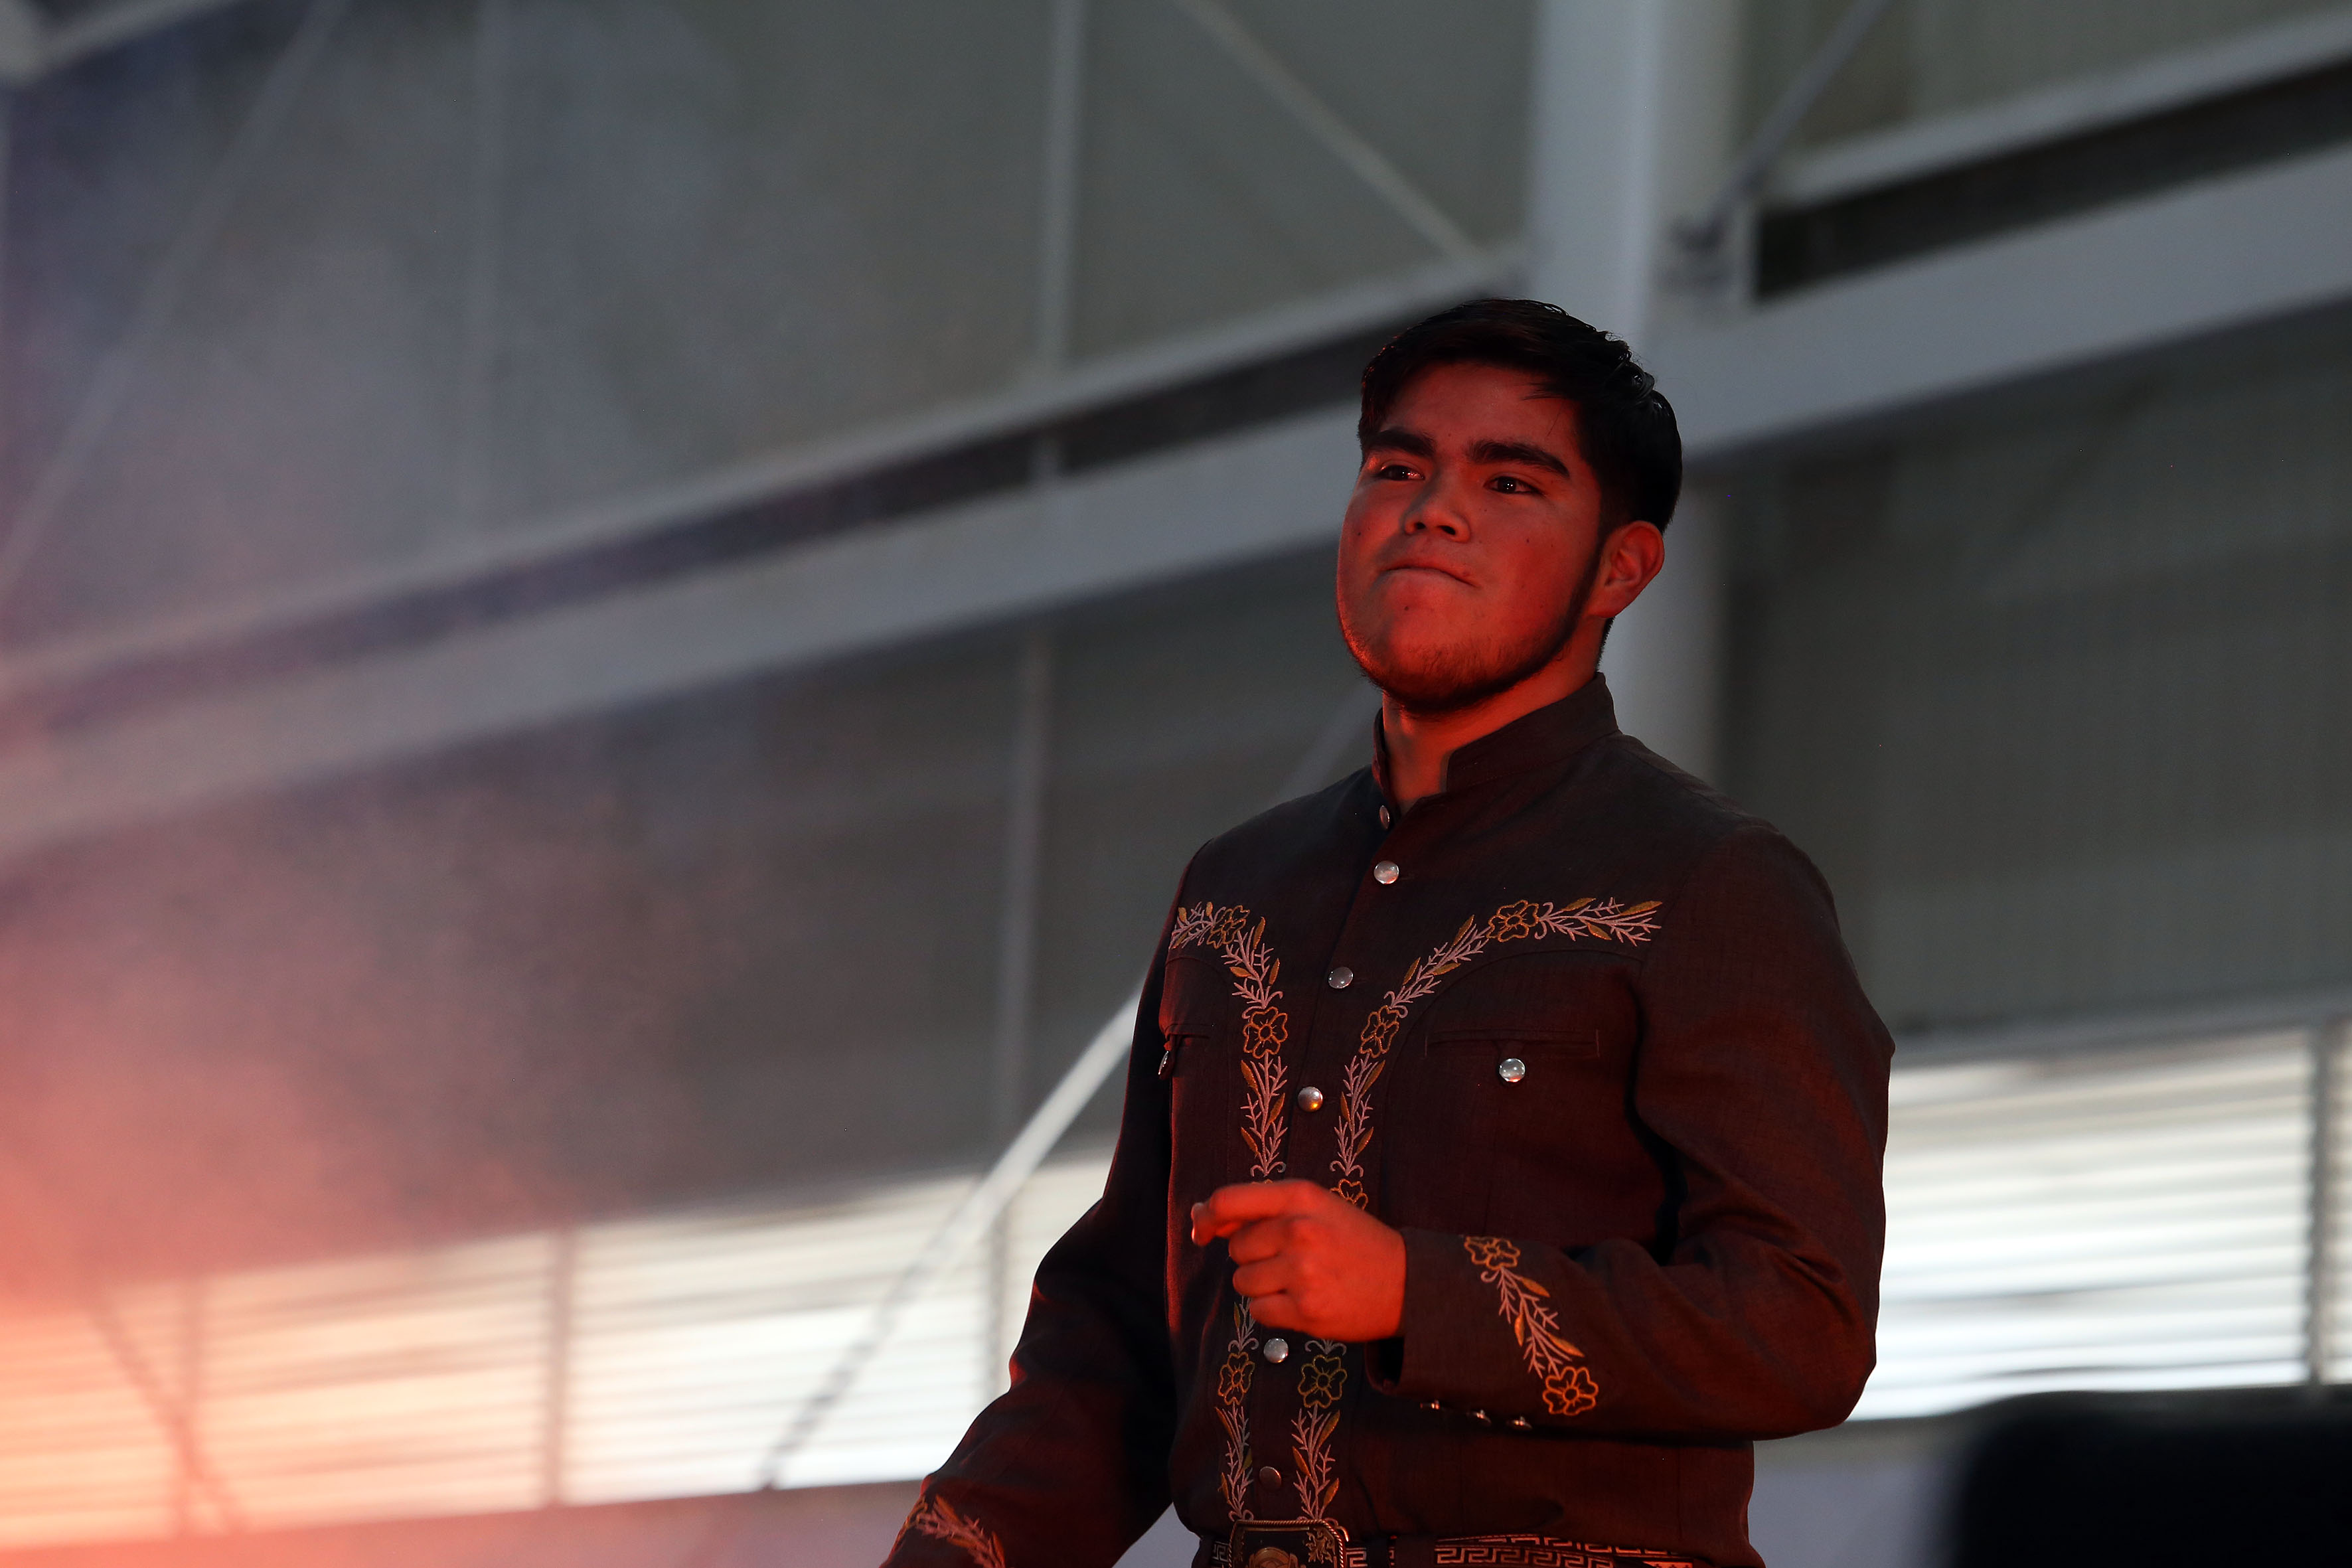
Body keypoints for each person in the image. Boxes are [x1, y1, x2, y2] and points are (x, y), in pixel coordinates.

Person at [884, 299, 1891, 1568]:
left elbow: (1801, 1323)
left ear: (1622, 569)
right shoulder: (1234, 887)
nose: (1433, 510)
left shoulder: (1708, 882)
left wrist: (1421, 1292)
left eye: (1510, 481)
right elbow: (1124, 1332)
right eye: (1399, 469)